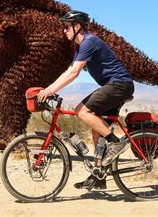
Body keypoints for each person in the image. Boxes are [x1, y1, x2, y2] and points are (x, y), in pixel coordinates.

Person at [37, 10, 134, 190]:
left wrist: (49, 91)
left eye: (67, 27)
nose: (64, 30)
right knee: (97, 127)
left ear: (77, 26)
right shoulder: (81, 48)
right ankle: (99, 175)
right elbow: (69, 71)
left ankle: (116, 142)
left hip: (119, 85)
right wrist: (48, 88)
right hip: (115, 86)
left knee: (80, 110)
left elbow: (74, 74)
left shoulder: (89, 41)